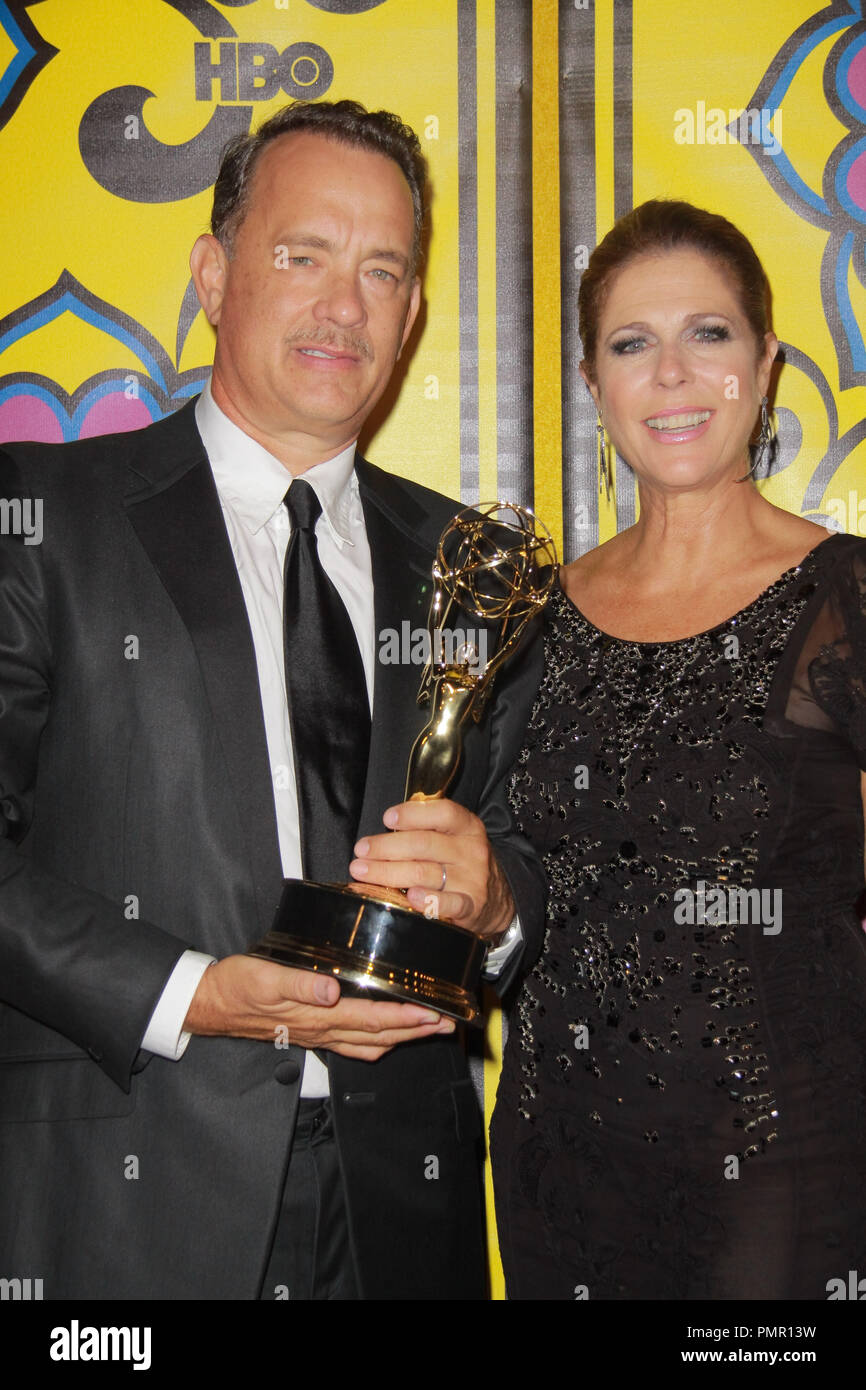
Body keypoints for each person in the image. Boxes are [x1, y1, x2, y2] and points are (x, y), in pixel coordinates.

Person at [0, 100, 544, 1300]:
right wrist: (195, 991)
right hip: (127, 1203)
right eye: (302, 255)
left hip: (400, 1214)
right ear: (210, 274)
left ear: (409, 315)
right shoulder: (42, 521)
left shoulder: (472, 566)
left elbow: (529, 855)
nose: (343, 305)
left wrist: (497, 897)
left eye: (382, 271)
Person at [490, 199, 866, 1300]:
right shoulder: (528, 620)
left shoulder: (843, 596)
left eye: (706, 334)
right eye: (629, 344)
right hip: (557, 1156)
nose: (669, 375)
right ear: (588, 381)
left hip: (784, 1160)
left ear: (765, 361)